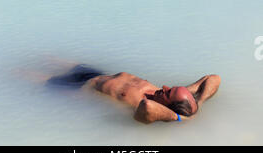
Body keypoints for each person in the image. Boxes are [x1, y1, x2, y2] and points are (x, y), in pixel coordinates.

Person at [47, 64, 221, 124]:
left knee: (26, 75)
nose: (165, 87)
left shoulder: (146, 110)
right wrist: (199, 101)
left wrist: (180, 118)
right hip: (96, 73)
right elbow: (213, 78)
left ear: (168, 106)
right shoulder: (176, 96)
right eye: (171, 88)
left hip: (80, 88)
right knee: (49, 58)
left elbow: (149, 106)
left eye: (168, 93)